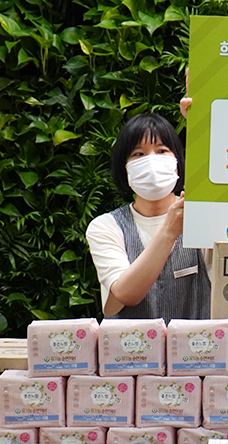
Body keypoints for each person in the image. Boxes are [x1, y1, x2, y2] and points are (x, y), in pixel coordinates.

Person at [86, 113, 210, 320]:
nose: (152, 161)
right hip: (129, 342)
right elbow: (125, 293)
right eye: (138, 154)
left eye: (162, 151)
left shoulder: (204, 220)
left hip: (197, 341)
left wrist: (201, 118)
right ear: (125, 167)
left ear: (177, 161)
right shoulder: (106, 226)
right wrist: (169, 231)